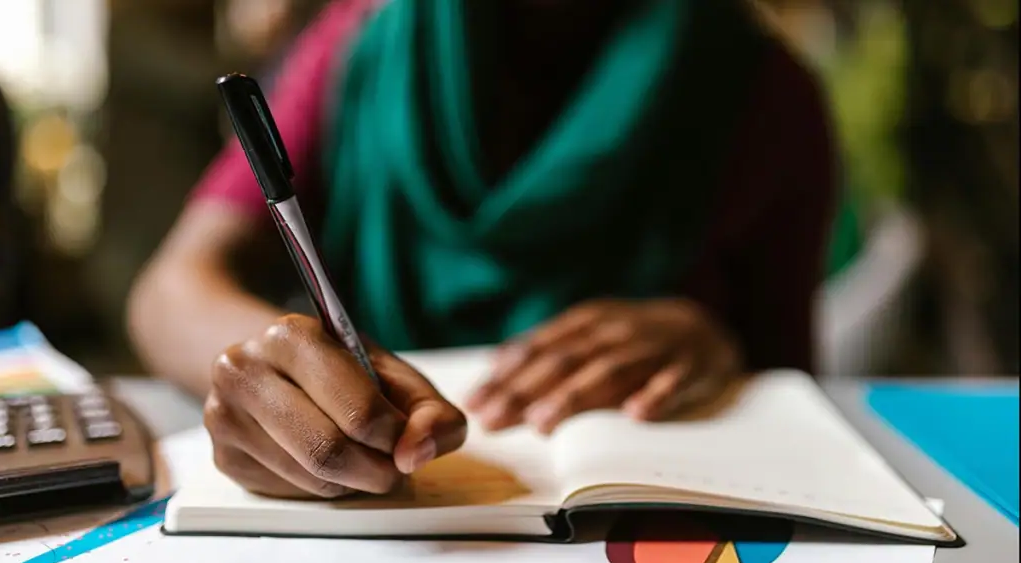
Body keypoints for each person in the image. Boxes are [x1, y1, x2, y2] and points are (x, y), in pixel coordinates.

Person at [127, 0, 837, 500]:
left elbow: (801, 392)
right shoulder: (363, 45)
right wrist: (274, 377)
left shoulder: (766, 94)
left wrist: (720, 345)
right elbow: (171, 290)